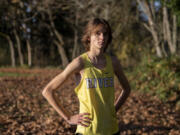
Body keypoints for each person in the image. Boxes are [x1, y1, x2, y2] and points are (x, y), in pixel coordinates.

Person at [42, 18, 131, 135]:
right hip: (87, 130)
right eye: (97, 33)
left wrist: (114, 109)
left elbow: (127, 89)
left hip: (112, 129)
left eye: (105, 34)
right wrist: (68, 118)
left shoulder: (113, 62)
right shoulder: (80, 63)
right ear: (89, 37)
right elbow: (48, 91)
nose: (102, 37)